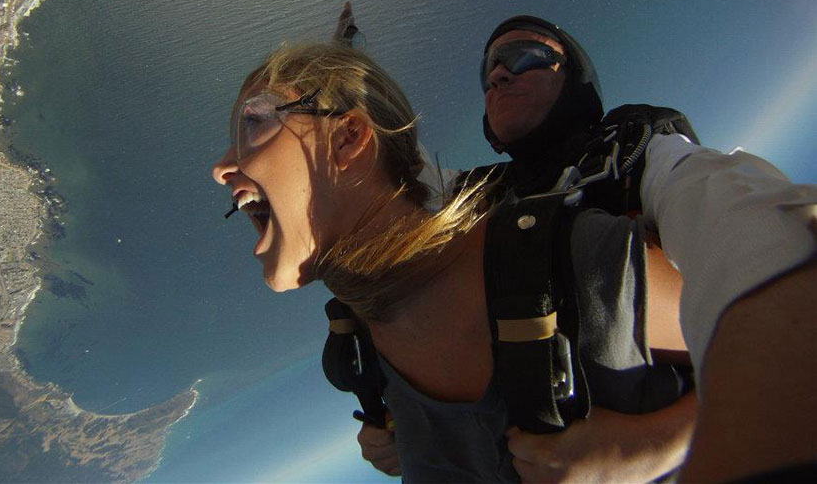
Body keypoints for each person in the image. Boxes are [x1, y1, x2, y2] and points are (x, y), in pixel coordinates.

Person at [212, 42, 816, 482]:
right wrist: (402, 432)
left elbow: (791, 329)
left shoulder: (579, 264)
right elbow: (412, 179)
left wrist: (658, 444)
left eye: (254, 123)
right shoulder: (359, 349)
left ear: (349, 140)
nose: (222, 167)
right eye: (490, 68)